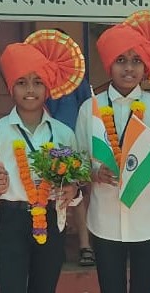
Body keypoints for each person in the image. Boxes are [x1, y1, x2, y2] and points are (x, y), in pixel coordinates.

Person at [75, 10, 150, 293]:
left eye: (137, 61)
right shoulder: (91, 108)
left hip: (149, 223)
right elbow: (77, 165)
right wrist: (95, 172)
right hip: (104, 223)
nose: (128, 68)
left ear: (146, 67)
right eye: (121, 60)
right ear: (109, 65)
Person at [0, 29, 85, 293]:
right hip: (11, 219)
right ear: (10, 87)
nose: (30, 90)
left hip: (51, 216)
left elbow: (75, 183)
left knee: (44, 287)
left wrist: (74, 191)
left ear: (47, 88)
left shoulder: (62, 133)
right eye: (22, 82)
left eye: (37, 82)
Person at [46, 75, 94, 266]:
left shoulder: (77, 77)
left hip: (73, 140)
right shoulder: (41, 77)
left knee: (77, 196)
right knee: (51, 195)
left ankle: (85, 246)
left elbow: (87, 106)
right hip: (47, 141)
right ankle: (57, 246)